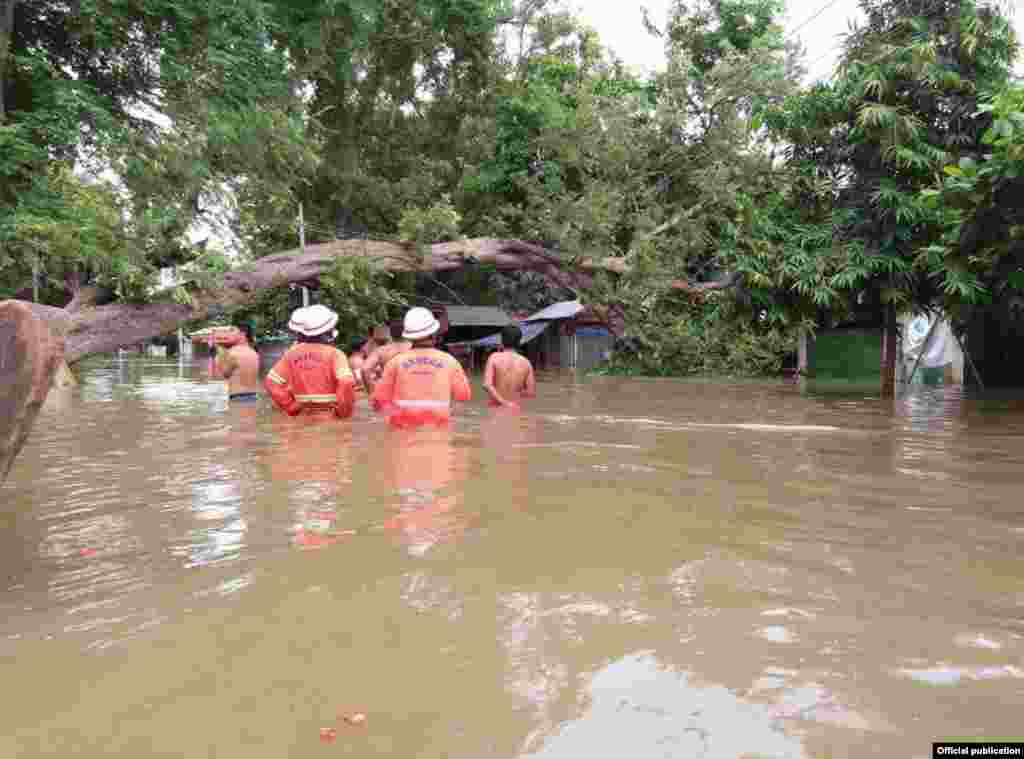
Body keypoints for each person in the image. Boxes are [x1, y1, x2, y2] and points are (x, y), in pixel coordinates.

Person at [371, 306, 471, 427]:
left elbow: (379, 401)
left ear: (409, 336)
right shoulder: (450, 362)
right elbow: (463, 396)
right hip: (437, 429)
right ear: (434, 333)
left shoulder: (395, 362)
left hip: (402, 428)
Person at [264, 305, 355, 418]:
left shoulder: (291, 354)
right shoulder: (335, 354)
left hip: (301, 417)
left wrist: (290, 406)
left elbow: (271, 382)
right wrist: (343, 413)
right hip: (328, 417)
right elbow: (346, 382)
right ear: (328, 330)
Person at [482, 324, 536, 410]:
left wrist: (504, 403)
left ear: (502, 340)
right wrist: (515, 392)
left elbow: (487, 385)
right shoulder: (526, 363)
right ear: (519, 341)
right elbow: (531, 392)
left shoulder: (494, 358)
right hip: (515, 409)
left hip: (495, 408)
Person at [362, 322, 412, 395]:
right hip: (411, 390)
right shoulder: (415, 349)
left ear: (390, 334)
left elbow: (364, 370)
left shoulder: (381, 350)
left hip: (389, 391)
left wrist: (371, 391)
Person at [215, 324, 262, 401]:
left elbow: (224, 374)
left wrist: (219, 351)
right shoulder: (254, 352)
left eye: (232, 331)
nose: (229, 334)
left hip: (237, 397)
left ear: (242, 334)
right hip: (253, 396)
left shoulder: (232, 353)